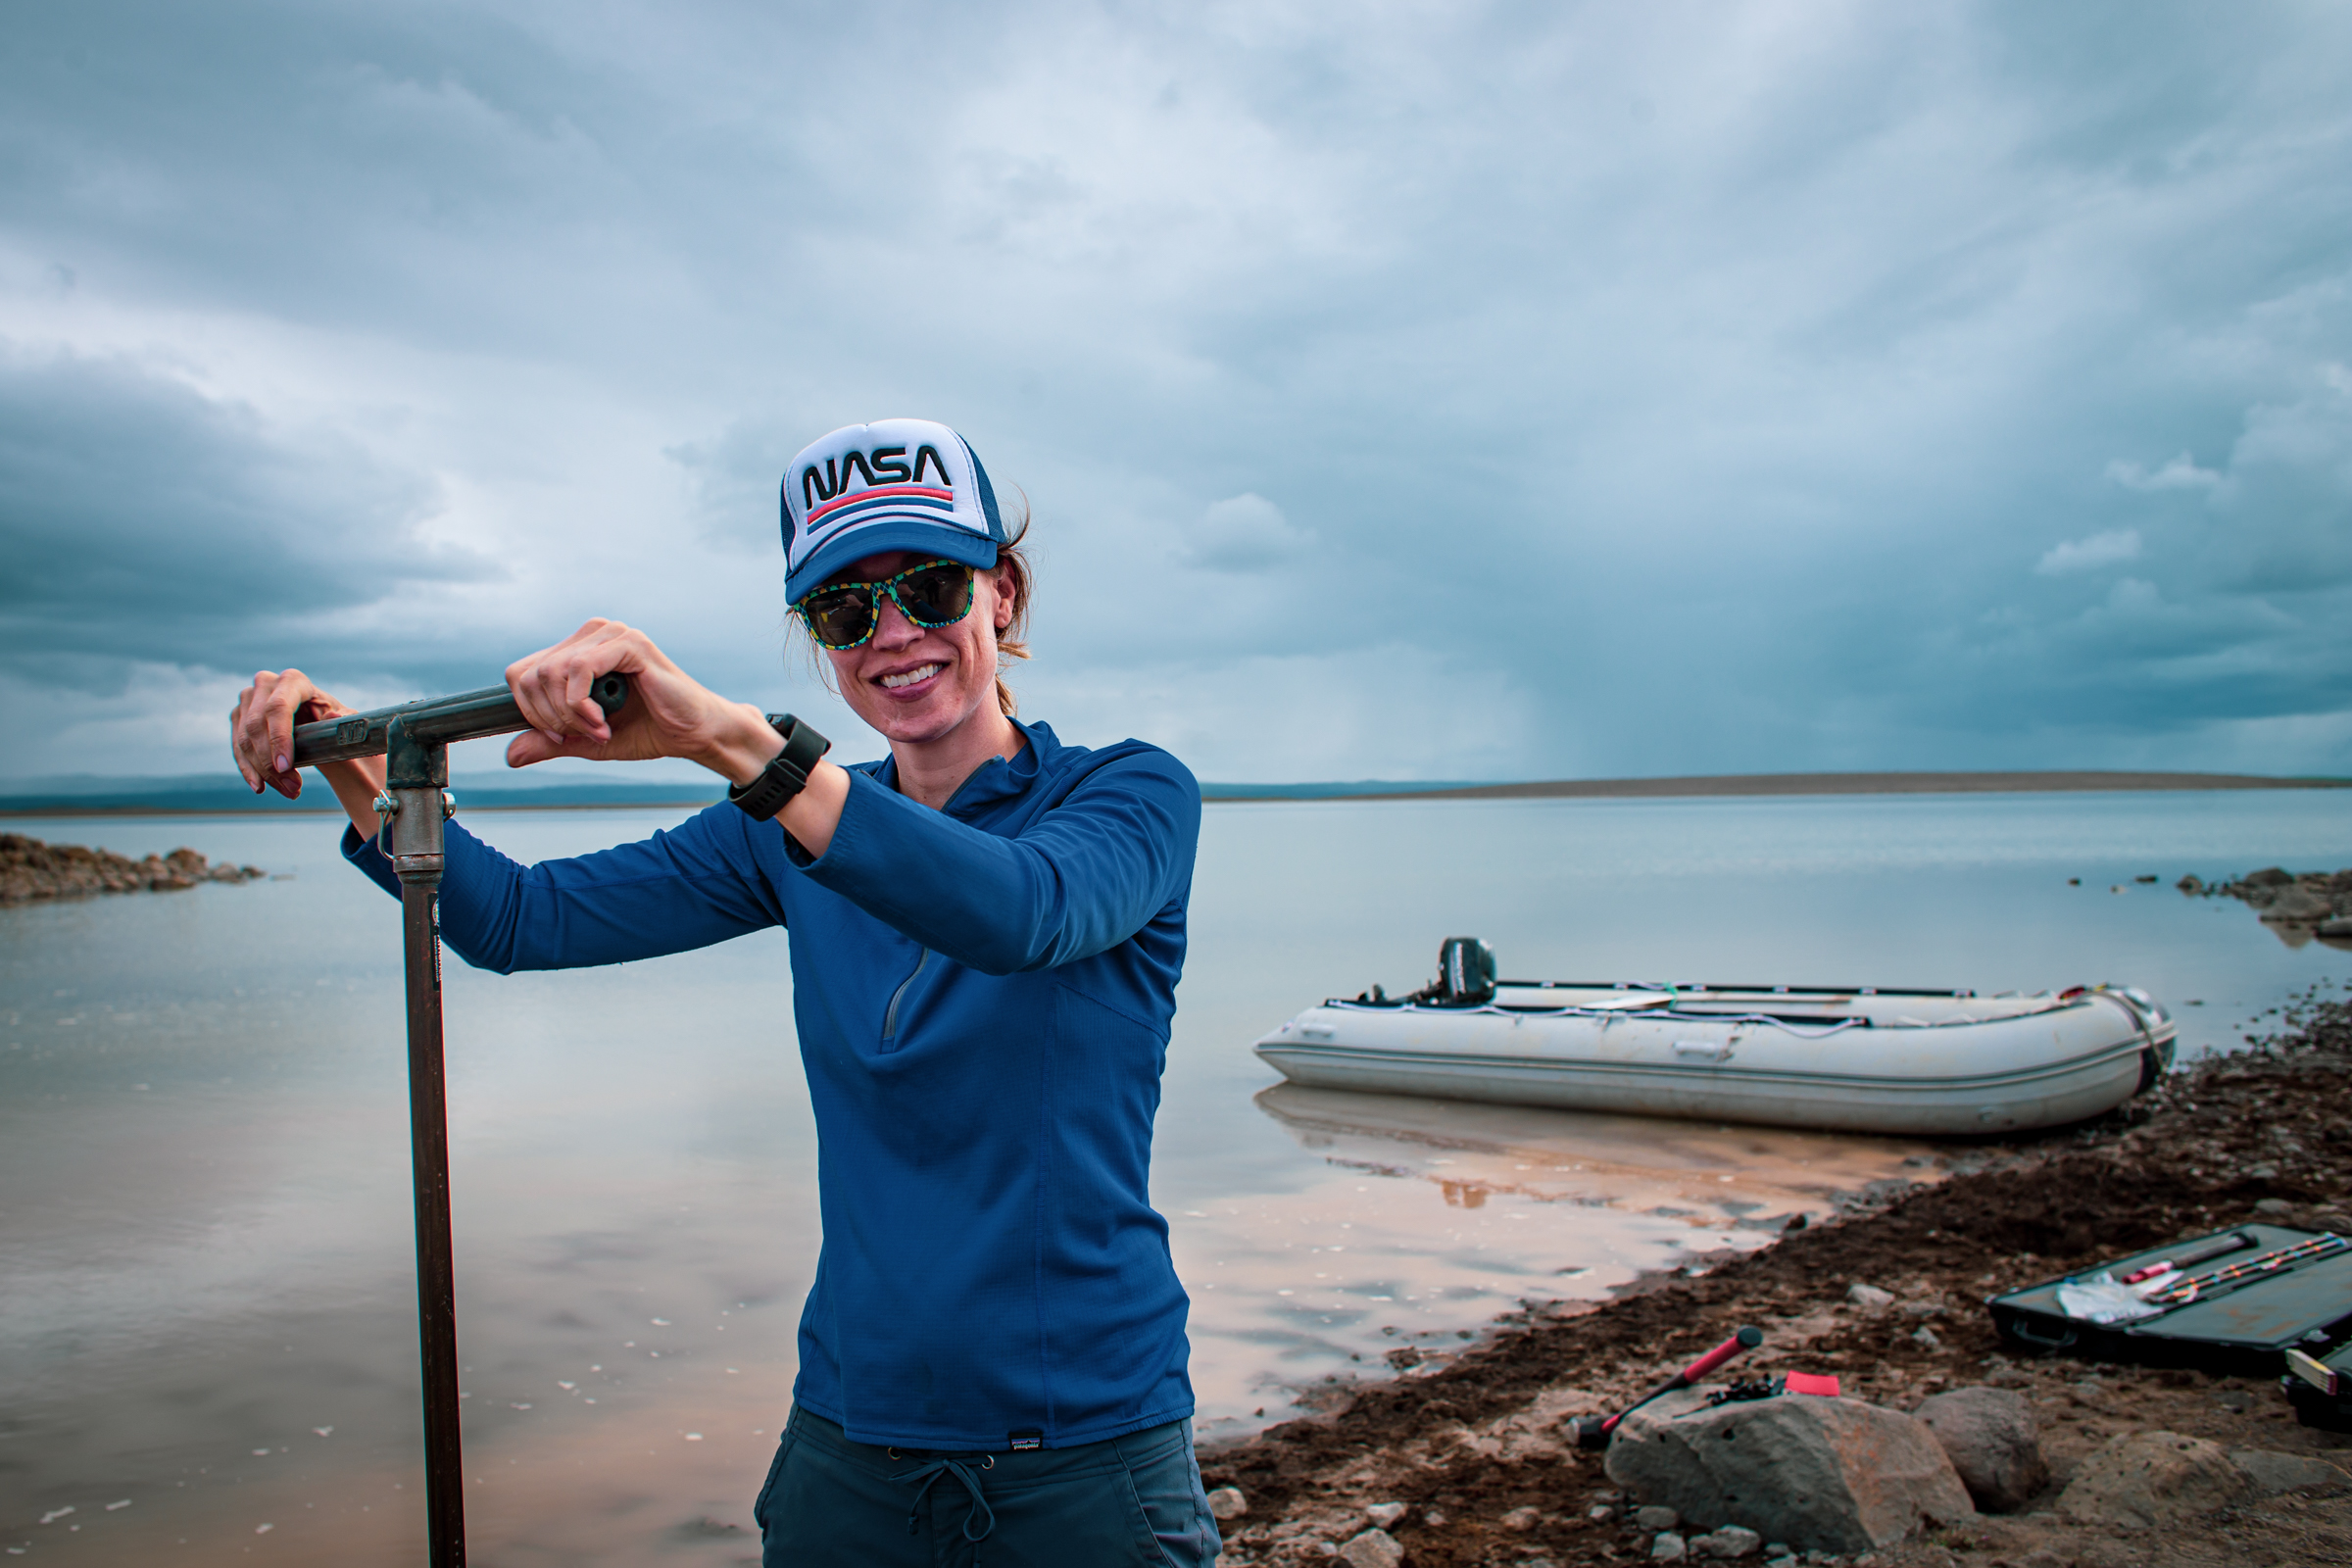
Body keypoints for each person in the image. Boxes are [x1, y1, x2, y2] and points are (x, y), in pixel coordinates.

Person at [230, 418, 1218, 1567]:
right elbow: (517, 920)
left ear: (1001, 593)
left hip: (1089, 1454)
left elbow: (1017, 911)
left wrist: (736, 745)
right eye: (846, 611)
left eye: (931, 585)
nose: (893, 634)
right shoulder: (781, 836)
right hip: (852, 1452)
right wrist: (352, 760)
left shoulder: (1130, 797)